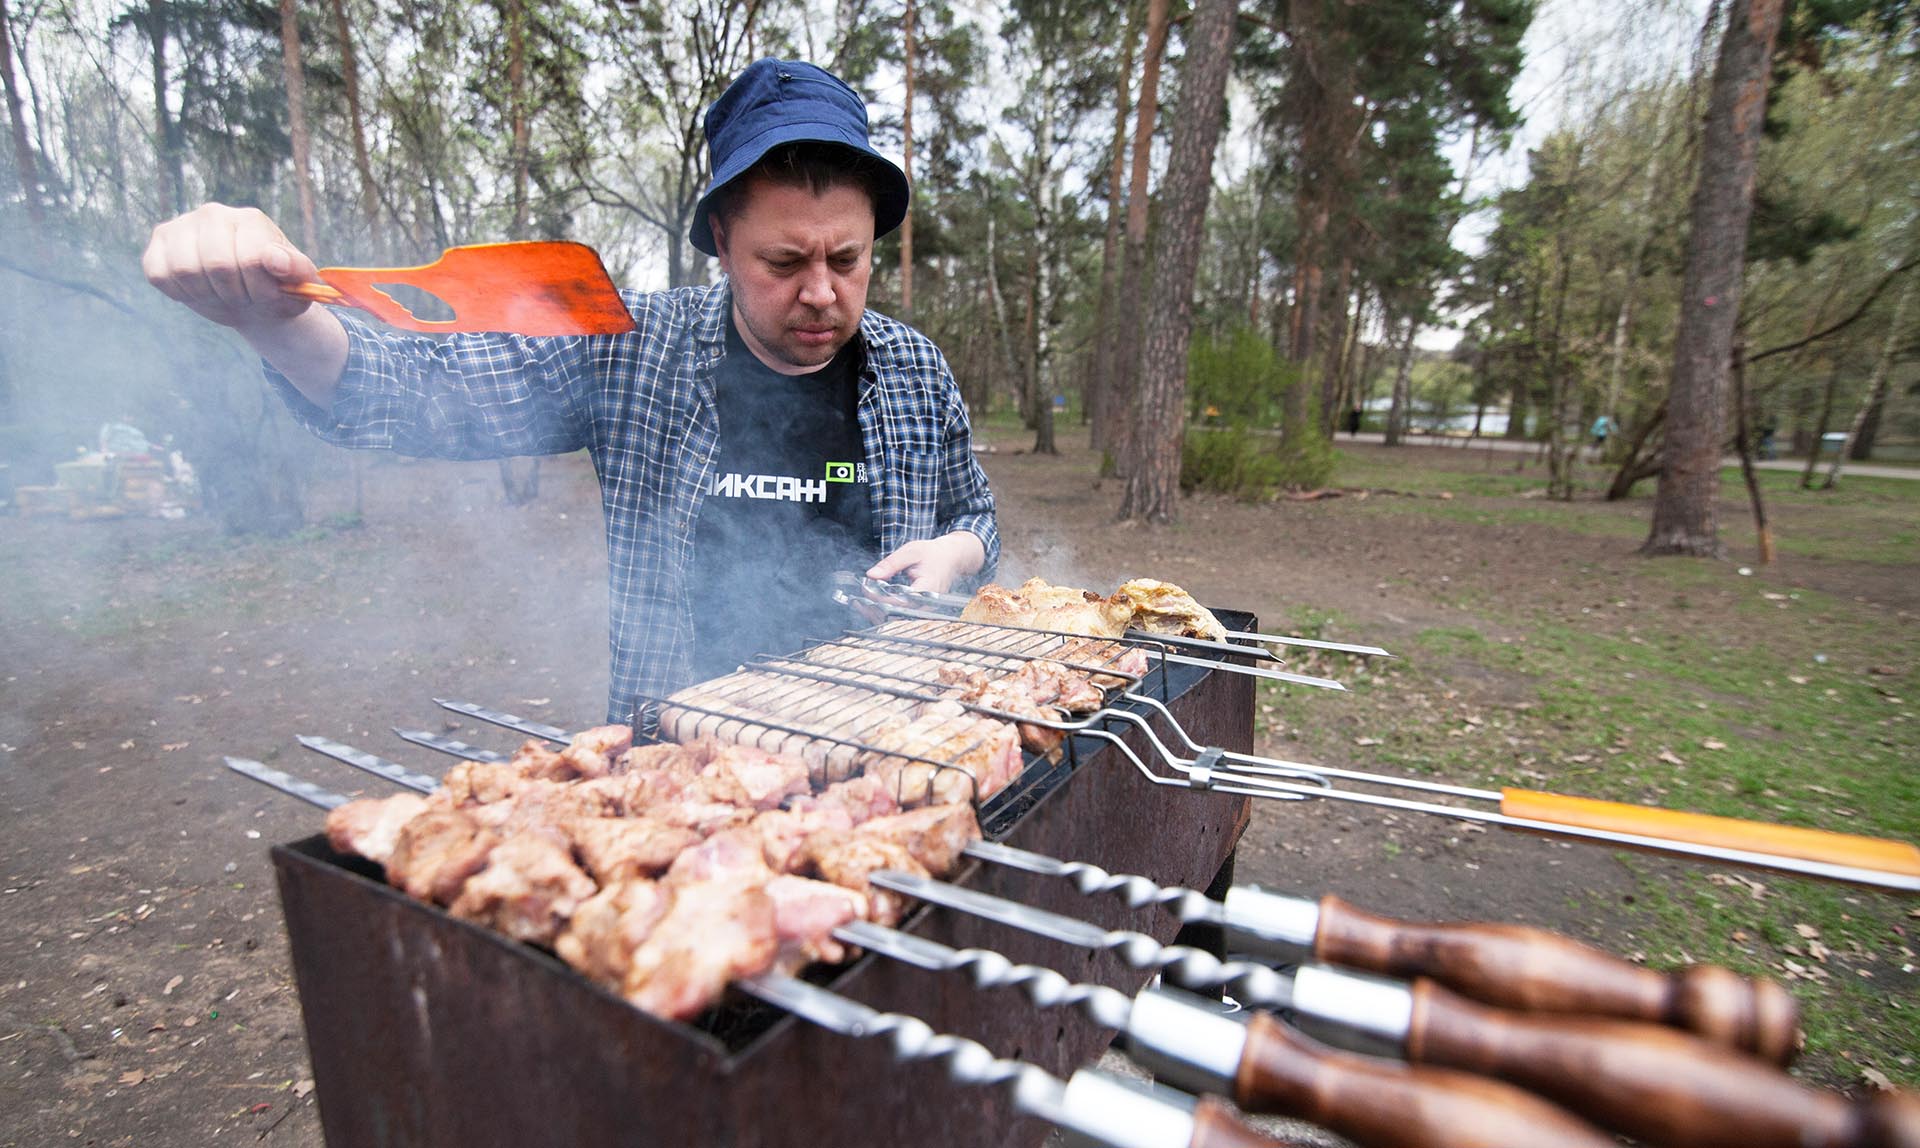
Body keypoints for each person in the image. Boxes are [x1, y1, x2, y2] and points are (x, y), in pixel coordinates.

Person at [141, 59, 999, 721]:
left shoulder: (915, 374)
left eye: (845, 260)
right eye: (784, 262)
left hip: (886, 740)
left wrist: (959, 555)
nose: (821, 292)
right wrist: (267, 315)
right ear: (723, 244)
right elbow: (403, 390)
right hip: (679, 756)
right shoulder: (626, 346)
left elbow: (976, 522)